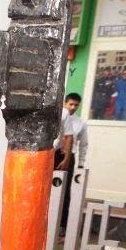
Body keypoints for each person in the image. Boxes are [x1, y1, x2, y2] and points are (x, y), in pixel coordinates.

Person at [56, 93, 88, 236]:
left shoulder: (80, 123)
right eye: (71, 104)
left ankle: (62, 225)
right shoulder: (59, 116)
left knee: (65, 190)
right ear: (65, 103)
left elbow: (83, 144)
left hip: (69, 157)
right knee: (51, 187)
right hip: (55, 153)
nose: (73, 107)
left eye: (76, 105)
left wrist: (81, 163)